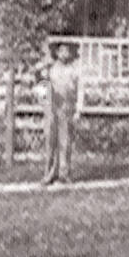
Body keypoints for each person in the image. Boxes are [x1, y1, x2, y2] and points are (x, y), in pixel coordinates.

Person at [43, 42, 79, 185]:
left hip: (67, 106)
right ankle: (49, 173)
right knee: (51, 140)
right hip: (52, 106)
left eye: (67, 51)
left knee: (66, 141)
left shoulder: (73, 70)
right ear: (57, 53)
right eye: (61, 51)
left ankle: (64, 173)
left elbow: (79, 89)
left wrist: (79, 109)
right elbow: (42, 84)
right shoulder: (51, 69)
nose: (64, 54)